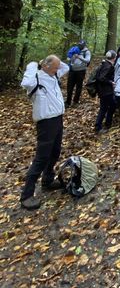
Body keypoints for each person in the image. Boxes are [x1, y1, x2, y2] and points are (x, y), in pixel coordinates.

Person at [20, 55, 70, 210]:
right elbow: (26, 82)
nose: (57, 70)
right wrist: (35, 63)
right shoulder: (36, 78)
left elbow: (66, 67)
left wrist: (53, 62)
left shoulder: (53, 75)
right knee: (41, 158)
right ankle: (26, 196)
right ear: (46, 66)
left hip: (57, 119)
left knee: (55, 152)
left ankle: (47, 181)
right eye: (54, 67)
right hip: (46, 123)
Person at [94, 50, 117, 134]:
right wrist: (111, 82)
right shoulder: (108, 66)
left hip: (103, 90)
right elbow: (101, 78)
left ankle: (107, 123)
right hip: (106, 91)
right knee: (106, 107)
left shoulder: (104, 64)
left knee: (110, 105)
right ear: (114, 58)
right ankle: (99, 126)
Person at [65, 40, 91, 107]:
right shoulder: (74, 50)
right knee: (69, 86)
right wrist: (71, 58)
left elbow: (87, 60)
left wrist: (79, 57)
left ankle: (75, 102)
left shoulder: (87, 52)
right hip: (72, 70)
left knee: (78, 87)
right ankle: (68, 102)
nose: (80, 46)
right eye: (79, 44)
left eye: (81, 45)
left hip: (81, 71)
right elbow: (69, 59)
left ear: (84, 45)